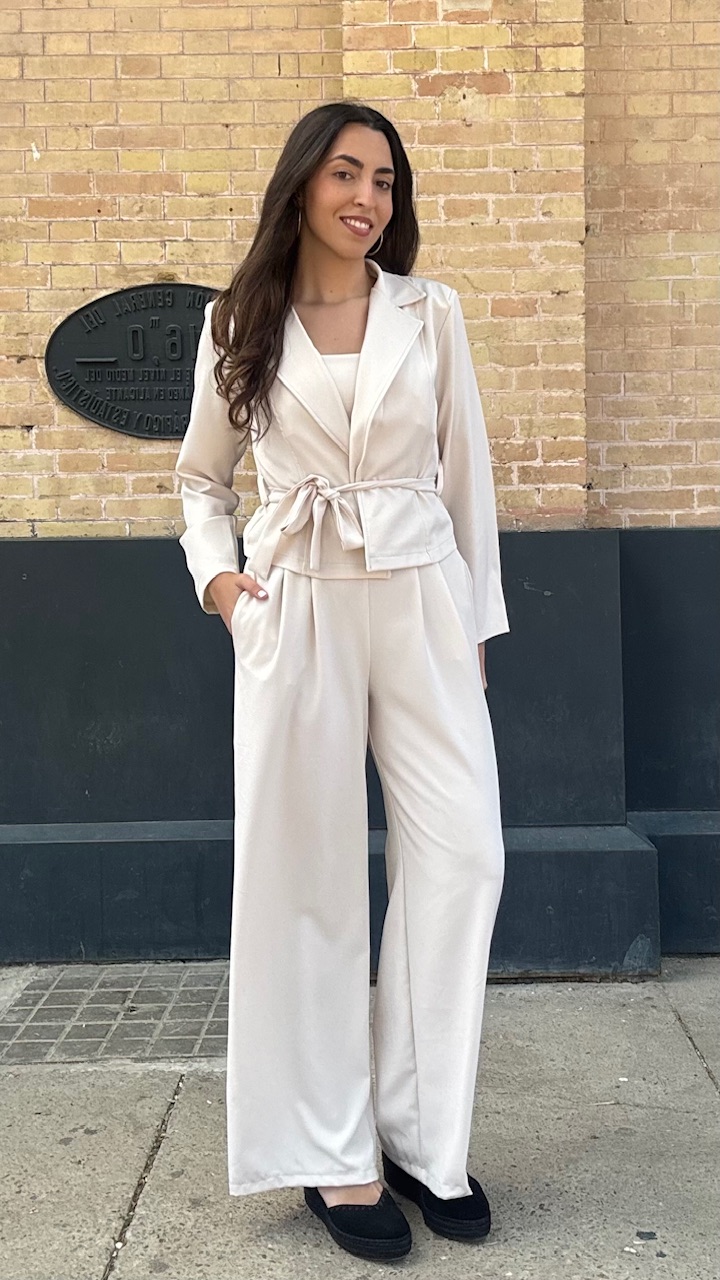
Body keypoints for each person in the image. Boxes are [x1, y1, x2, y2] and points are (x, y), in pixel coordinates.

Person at [174, 100, 510, 1263]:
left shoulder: (430, 311)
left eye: (385, 180)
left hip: (421, 598)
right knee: (306, 878)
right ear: (303, 184)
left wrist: (474, 624)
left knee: (466, 851)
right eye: (345, 173)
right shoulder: (238, 321)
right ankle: (332, 1149)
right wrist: (224, 588)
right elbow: (202, 480)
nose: (368, 197)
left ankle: (420, 1133)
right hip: (298, 601)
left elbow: (466, 475)